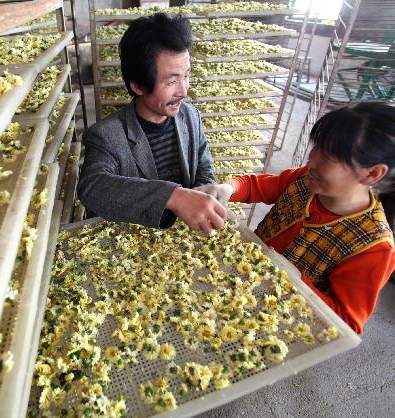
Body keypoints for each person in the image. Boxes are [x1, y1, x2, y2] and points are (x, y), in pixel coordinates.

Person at [197, 101, 395, 334]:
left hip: (279, 324)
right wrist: (229, 189)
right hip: (241, 282)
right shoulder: (305, 181)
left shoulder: (373, 248)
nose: (311, 160)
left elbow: (345, 323)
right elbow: (256, 186)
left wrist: (295, 281)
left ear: (372, 173)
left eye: (328, 156)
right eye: (317, 147)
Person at [77, 13, 227, 232]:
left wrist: (206, 190)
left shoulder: (190, 116)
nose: (183, 91)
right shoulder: (106, 136)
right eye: (172, 81)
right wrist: (173, 196)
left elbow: (203, 163)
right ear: (137, 85)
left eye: (186, 75)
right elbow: (92, 188)